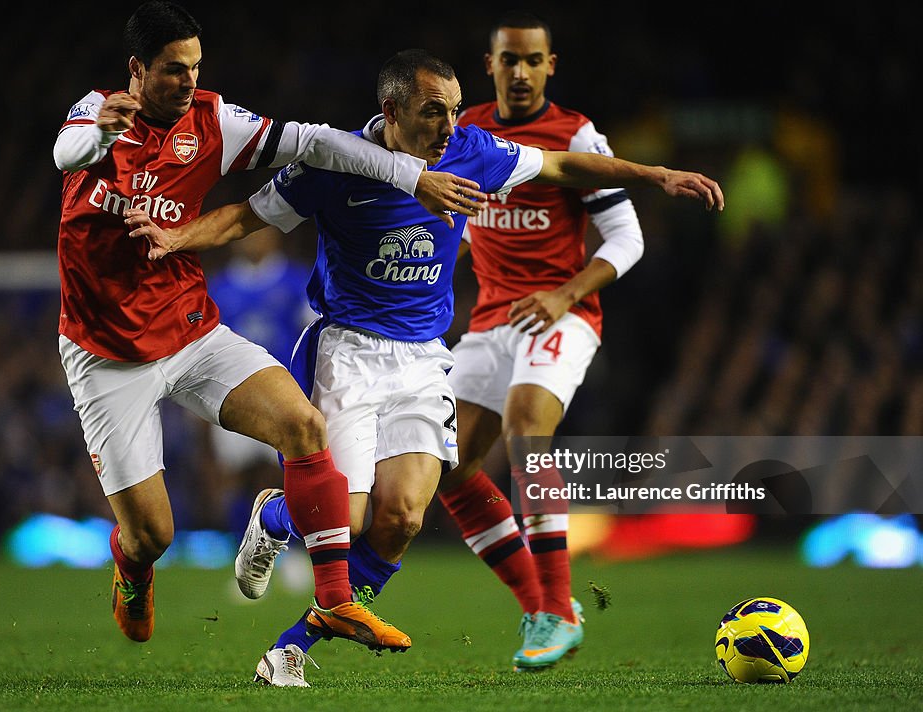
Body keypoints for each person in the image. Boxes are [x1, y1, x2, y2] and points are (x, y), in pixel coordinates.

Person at [124, 48, 722, 686]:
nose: (448, 124)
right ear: (390, 111)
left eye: (455, 109)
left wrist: (652, 173)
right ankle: (275, 516)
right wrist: (178, 238)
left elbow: (559, 164)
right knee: (345, 521)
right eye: (433, 111)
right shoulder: (334, 161)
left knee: (404, 515)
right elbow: (246, 217)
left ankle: (292, 647)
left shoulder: (471, 151)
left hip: (423, 359)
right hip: (347, 353)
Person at [54, 0, 486, 647]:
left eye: (196, 67)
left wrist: (411, 174)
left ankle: (336, 601)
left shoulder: (214, 121)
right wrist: (104, 135)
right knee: (154, 534)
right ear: (137, 71)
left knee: (304, 426)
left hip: (191, 331)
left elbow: (313, 141)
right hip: (107, 354)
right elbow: (68, 152)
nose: (189, 82)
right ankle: (133, 568)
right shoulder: (95, 112)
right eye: (174, 70)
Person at [436, 11, 649, 672]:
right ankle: (543, 606)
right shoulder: (464, 130)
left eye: (533, 61)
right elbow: (463, 220)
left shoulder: (573, 135)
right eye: (510, 61)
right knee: (448, 465)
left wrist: (564, 294)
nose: (521, 72)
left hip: (562, 314)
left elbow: (627, 238)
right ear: (490, 64)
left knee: (528, 427)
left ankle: (556, 607)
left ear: (550, 65)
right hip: (492, 320)